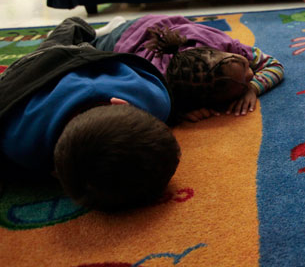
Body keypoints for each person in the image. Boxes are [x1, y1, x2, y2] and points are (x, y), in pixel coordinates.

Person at [0, 17, 180, 212]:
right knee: (71, 34)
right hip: (67, 59)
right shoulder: (153, 97)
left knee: (68, 34)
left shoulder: (19, 140)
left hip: (35, 72)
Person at [93, 14, 285, 122]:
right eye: (244, 83)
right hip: (121, 41)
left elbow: (273, 65)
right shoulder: (157, 85)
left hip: (156, 22)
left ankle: (119, 23)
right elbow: (140, 113)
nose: (251, 73)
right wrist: (178, 113)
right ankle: (108, 29)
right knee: (93, 47)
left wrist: (252, 87)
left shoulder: (226, 46)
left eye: (244, 65)